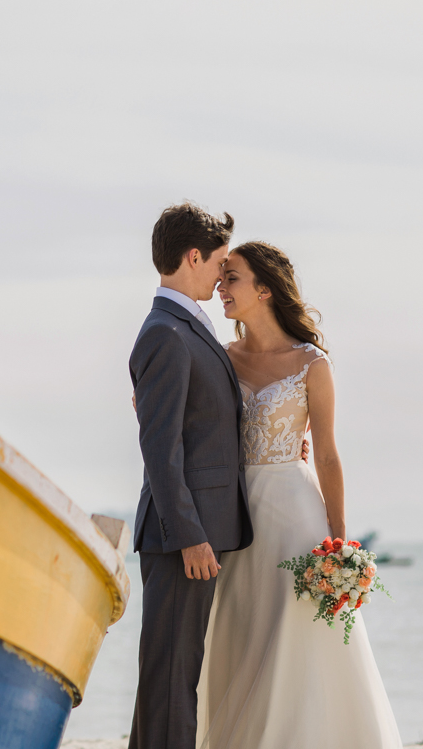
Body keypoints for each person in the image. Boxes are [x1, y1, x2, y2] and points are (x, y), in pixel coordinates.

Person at [196, 240, 400, 748]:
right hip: (236, 519)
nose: (221, 286)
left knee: (298, 634)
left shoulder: (312, 364)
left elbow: (327, 455)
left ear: (264, 289)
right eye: (221, 277)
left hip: (296, 516)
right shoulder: (220, 359)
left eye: (232, 277)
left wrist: (340, 542)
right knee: (245, 634)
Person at [127, 202, 252, 749]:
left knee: (176, 673)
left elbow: (201, 425)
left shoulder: (182, 328)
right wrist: (190, 536)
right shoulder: (165, 333)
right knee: (171, 676)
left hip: (194, 531)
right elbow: (160, 449)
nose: (222, 277)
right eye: (220, 264)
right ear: (193, 257)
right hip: (183, 537)